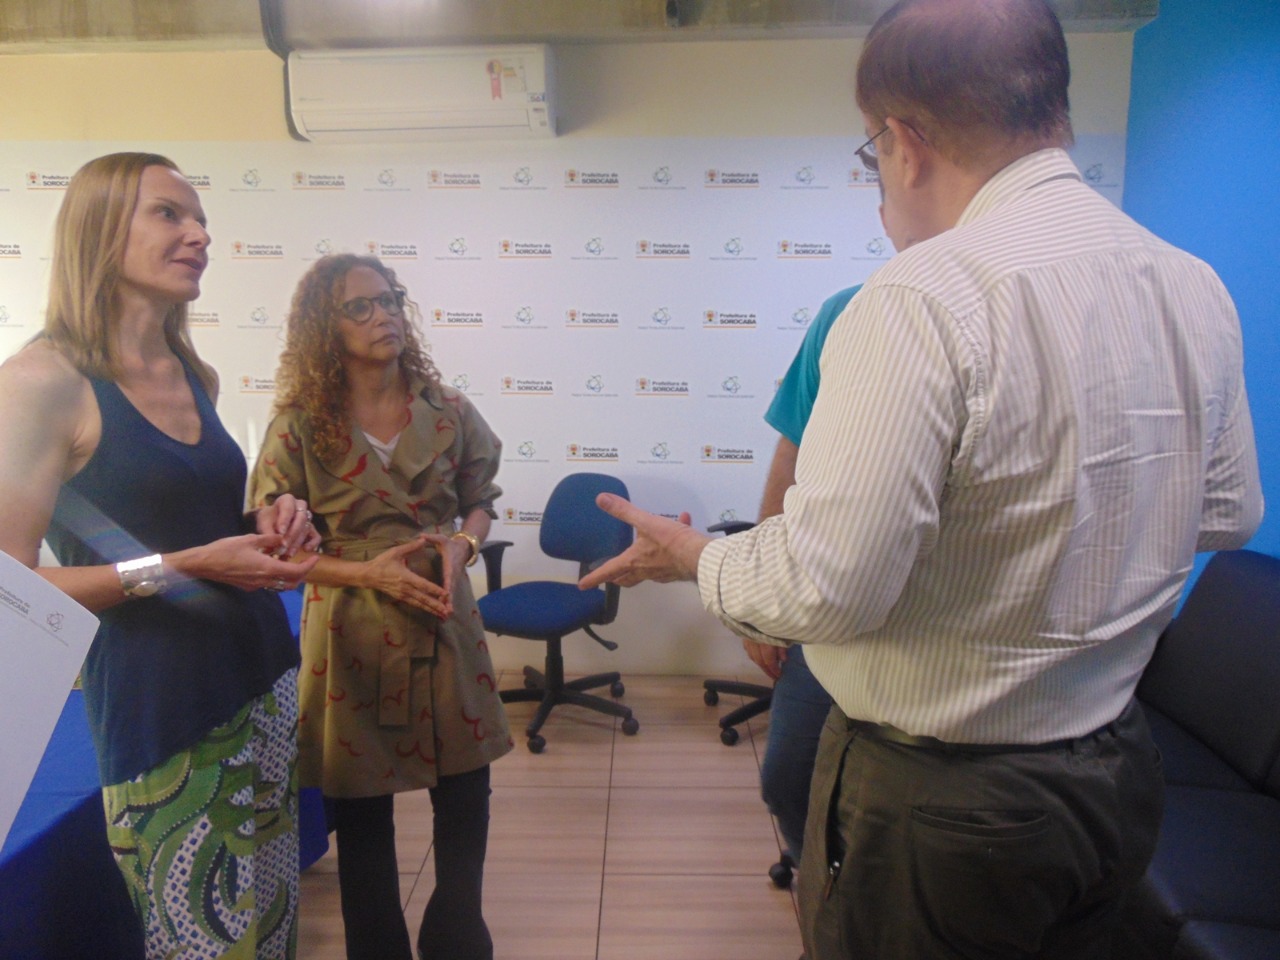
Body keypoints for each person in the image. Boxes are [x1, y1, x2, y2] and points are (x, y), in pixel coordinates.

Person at [580, 1, 1265, 957]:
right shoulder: (1192, 282)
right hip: (1115, 771)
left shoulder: (920, 295)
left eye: (872, 158)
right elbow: (1229, 513)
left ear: (902, 143)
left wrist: (695, 554)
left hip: (952, 805)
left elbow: (826, 588)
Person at [0, 152, 321, 958]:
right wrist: (187, 565)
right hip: (163, 717)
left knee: (273, 937)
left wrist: (269, 521)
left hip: (263, 684)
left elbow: (182, 521)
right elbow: (12, 585)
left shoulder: (192, 373)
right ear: (100, 229)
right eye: (169, 214)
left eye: (201, 218)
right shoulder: (40, 382)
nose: (199, 235)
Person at [248, 254, 512, 960]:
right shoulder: (300, 427)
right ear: (324, 327)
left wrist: (463, 544)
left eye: (390, 299)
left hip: (441, 609)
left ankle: (457, 934)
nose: (383, 315)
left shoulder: (448, 409)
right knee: (363, 816)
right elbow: (276, 550)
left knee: (466, 793)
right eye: (359, 307)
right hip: (351, 627)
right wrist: (367, 572)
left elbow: (481, 501)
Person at [748, 285, 858, 873]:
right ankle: (820, 882)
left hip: (944, 626)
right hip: (832, 609)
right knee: (788, 777)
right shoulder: (845, 312)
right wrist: (763, 605)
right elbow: (791, 454)